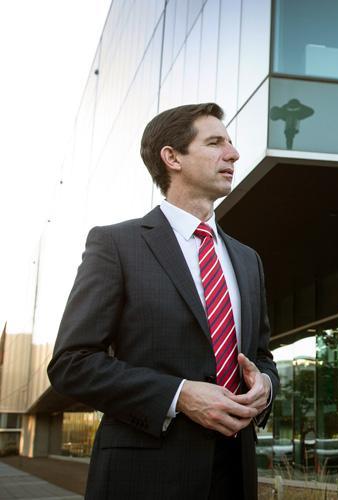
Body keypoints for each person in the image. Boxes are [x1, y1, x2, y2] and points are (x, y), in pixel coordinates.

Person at [48, 103, 278, 499]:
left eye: (231, 143)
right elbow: (73, 363)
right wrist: (178, 395)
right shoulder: (116, 245)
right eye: (215, 142)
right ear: (171, 157)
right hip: (144, 476)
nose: (234, 154)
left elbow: (261, 356)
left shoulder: (247, 259)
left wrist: (267, 387)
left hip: (235, 474)